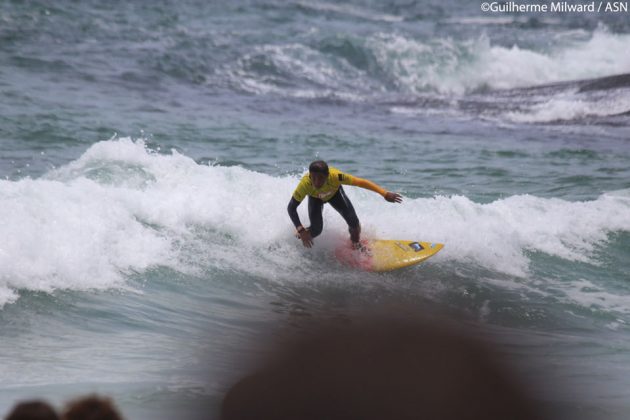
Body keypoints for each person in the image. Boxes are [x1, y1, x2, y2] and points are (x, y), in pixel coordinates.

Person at [287, 160, 402, 248]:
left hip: (335, 195)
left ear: (327, 176)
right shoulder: (305, 184)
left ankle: (356, 245)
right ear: (310, 176)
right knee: (316, 230)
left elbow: (360, 182)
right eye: (313, 178)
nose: (317, 182)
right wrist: (301, 230)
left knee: (354, 222)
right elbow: (291, 208)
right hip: (315, 198)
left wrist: (384, 193)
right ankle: (294, 240)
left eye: (321, 178)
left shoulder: (336, 176)